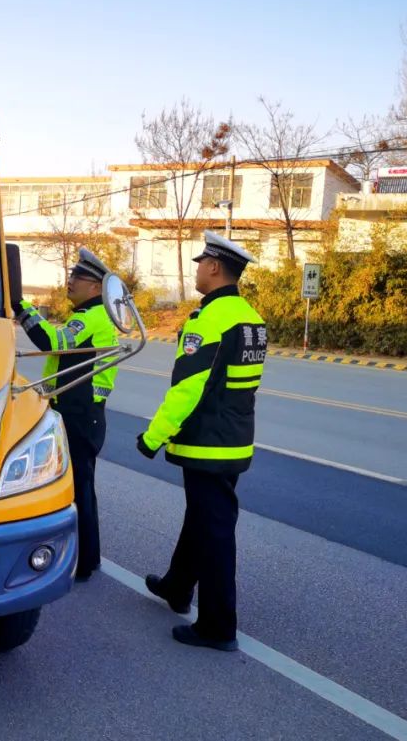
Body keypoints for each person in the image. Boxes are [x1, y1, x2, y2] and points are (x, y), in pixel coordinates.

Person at [136, 230, 266, 652]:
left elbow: (188, 388)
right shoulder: (250, 317)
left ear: (215, 267)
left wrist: (153, 436)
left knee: (214, 531)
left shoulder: (210, 319)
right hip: (234, 440)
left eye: (200, 263)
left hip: (207, 442)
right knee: (203, 518)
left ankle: (217, 625)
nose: (196, 269)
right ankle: (177, 586)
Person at [16, 248, 119, 581]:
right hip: (84, 413)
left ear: (95, 287)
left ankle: (85, 564)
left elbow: (51, 341)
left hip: (79, 415)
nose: (70, 281)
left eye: (78, 278)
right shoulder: (94, 316)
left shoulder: (89, 317)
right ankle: (88, 558)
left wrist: (21, 305)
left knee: (78, 488)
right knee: (82, 487)